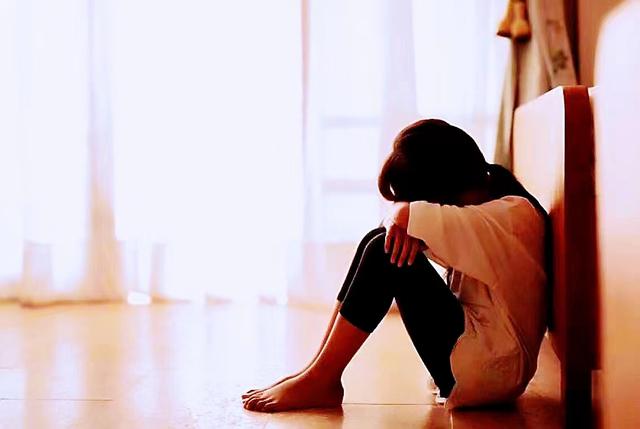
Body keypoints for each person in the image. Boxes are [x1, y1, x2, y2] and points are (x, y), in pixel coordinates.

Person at [241, 119, 548, 412]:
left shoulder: (510, 215)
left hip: (492, 370)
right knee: (378, 239)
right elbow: (399, 218)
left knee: (384, 251)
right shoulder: (491, 205)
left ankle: (321, 378)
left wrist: (404, 215)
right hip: (485, 353)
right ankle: (317, 371)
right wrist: (402, 218)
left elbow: (405, 216)